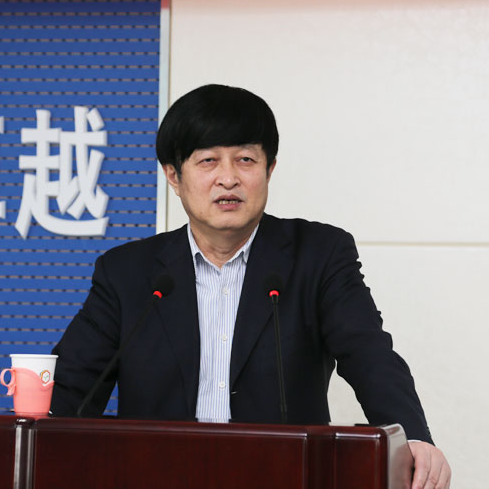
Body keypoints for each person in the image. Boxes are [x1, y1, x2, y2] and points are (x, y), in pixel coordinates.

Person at [50, 84, 451, 489]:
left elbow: (369, 354)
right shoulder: (127, 272)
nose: (228, 178)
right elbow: (73, 385)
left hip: (283, 477)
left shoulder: (318, 255)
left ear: (269, 169)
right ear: (174, 175)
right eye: (208, 161)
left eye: (245, 159)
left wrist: (412, 438)